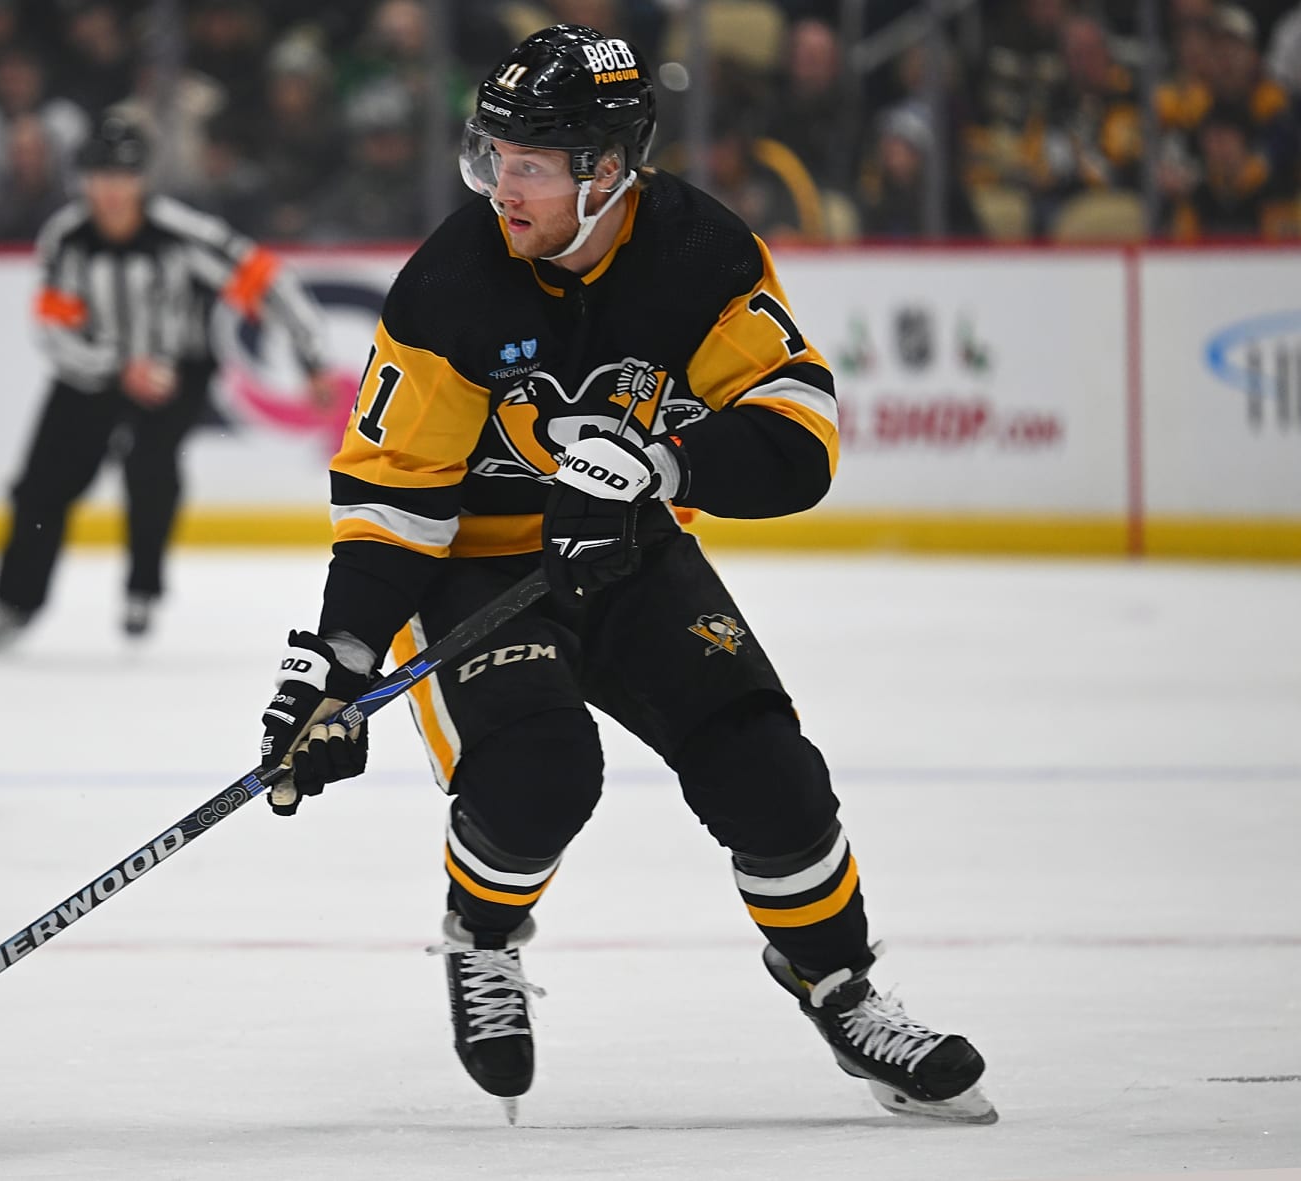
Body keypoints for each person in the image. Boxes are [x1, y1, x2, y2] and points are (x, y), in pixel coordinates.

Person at [253, 24, 995, 1125]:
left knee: (770, 772)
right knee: (544, 772)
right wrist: (342, 658)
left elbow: (801, 433)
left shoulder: (699, 252)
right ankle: (484, 936)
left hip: (630, 550)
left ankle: (838, 986)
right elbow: (394, 495)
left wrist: (665, 463)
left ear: (608, 170)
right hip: (471, 572)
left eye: (533, 166)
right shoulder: (454, 283)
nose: (503, 186)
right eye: (493, 155)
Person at [0, 117, 334, 648]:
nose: (111, 191)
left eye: (123, 177)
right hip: (89, 374)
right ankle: (14, 605)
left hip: (174, 372)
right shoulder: (66, 240)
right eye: (100, 177)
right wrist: (118, 368)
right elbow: (52, 329)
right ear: (83, 182)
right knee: (41, 487)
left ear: (142, 181)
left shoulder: (182, 234)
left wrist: (313, 359)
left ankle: (143, 588)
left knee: (150, 468)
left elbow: (264, 279)